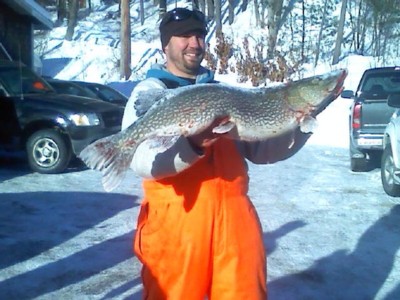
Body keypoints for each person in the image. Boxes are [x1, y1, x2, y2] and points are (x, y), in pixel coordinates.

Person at [122, 7, 310, 300]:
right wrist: (192, 145)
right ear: (165, 44)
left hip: (236, 222)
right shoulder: (150, 93)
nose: (195, 43)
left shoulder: (224, 93)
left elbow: (261, 149)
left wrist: (300, 121)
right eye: (184, 35)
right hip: (177, 224)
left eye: (199, 36)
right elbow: (142, 161)